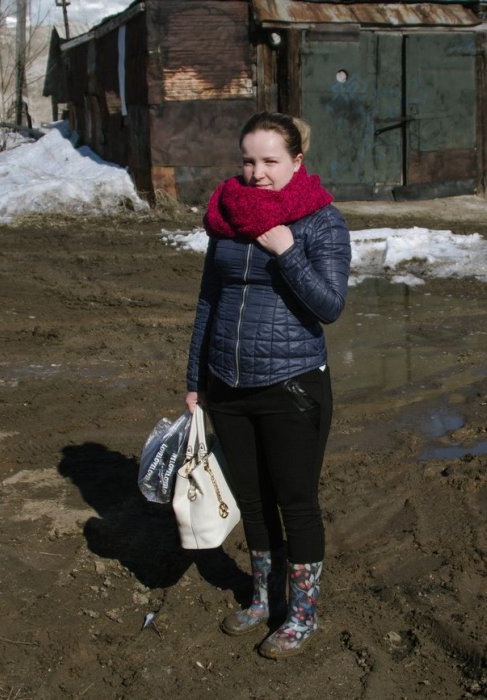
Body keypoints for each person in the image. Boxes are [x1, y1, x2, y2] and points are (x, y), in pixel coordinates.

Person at [184, 111, 351, 660]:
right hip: (228, 383)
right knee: (252, 501)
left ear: (297, 161)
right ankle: (262, 597)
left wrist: (287, 251)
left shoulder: (322, 222)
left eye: (269, 161)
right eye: (248, 160)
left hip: (292, 385)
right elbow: (210, 301)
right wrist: (195, 381)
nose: (256, 173)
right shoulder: (227, 218)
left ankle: (301, 613)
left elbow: (329, 306)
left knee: (296, 502)